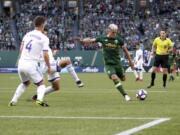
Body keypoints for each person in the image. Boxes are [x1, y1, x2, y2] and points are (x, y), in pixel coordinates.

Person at [80, 24, 134, 101]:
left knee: (123, 79)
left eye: (115, 32)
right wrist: (83, 40)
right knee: (114, 78)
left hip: (117, 63)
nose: (114, 34)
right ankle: (125, 96)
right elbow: (92, 40)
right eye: (113, 32)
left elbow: (126, 51)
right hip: (109, 64)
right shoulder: (102, 38)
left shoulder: (119, 40)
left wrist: (131, 62)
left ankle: (120, 75)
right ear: (109, 31)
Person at [9, 16, 51, 107]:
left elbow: (21, 49)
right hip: (31, 64)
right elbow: (46, 55)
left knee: (25, 83)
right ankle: (39, 100)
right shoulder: (44, 38)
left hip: (21, 63)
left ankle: (13, 101)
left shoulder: (27, 34)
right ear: (43, 24)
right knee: (41, 84)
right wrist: (49, 67)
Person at [31, 28, 84, 100]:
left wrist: (53, 53)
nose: (46, 36)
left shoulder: (44, 43)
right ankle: (78, 81)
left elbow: (45, 54)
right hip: (48, 65)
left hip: (49, 65)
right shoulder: (40, 43)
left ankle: (37, 96)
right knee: (67, 61)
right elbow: (42, 55)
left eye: (46, 34)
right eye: (44, 34)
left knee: (56, 87)